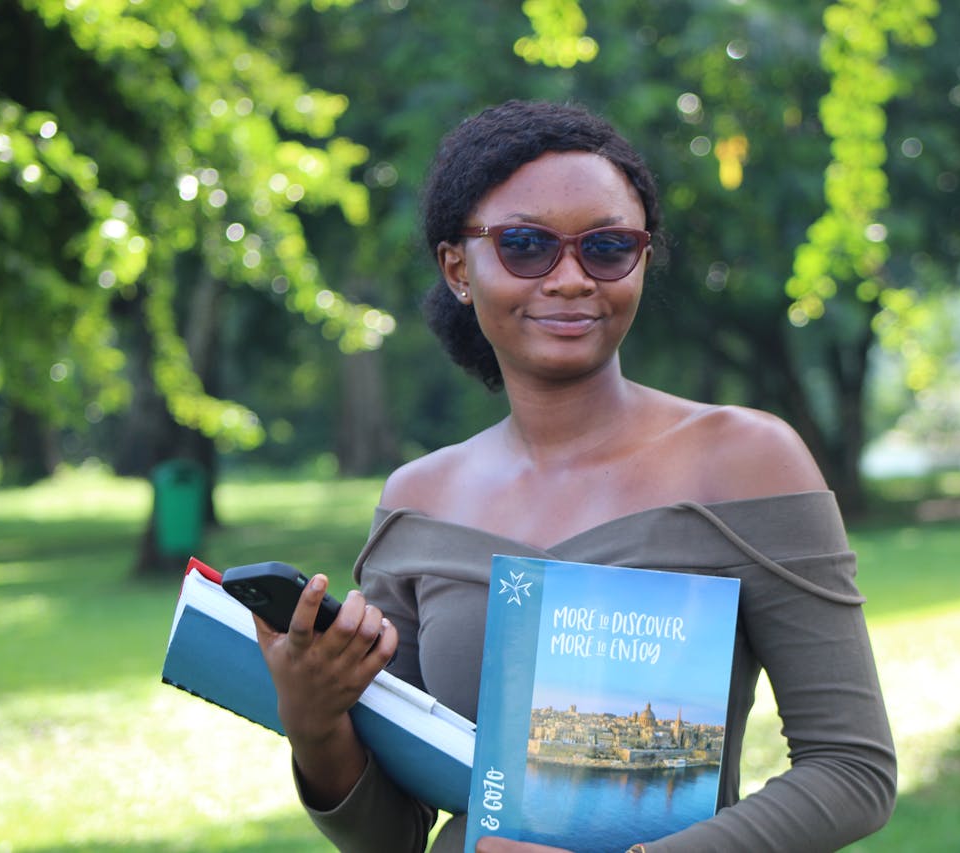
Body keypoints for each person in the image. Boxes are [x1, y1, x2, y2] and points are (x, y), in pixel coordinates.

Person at [255, 99, 896, 853]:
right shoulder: (418, 501)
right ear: (458, 267)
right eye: (525, 245)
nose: (569, 278)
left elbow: (852, 768)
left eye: (607, 247)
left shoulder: (745, 460)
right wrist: (313, 719)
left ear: (643, 259)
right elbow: (392, 832)